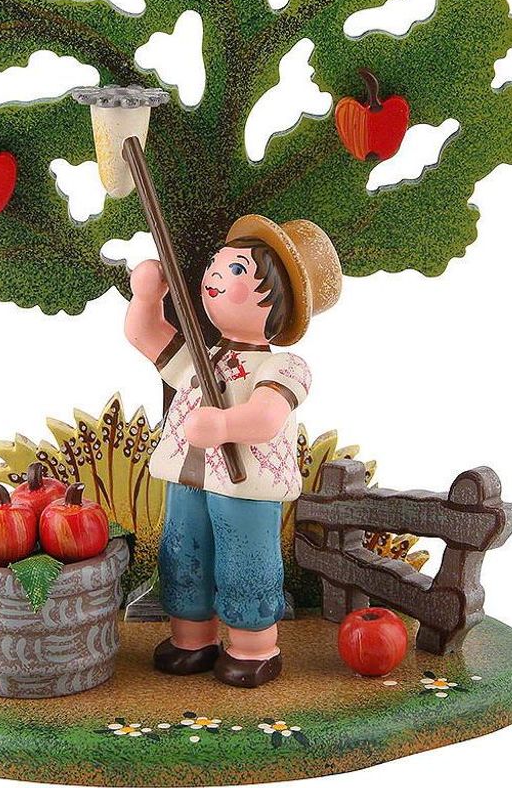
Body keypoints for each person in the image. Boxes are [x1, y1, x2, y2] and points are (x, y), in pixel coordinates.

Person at [125, 214, 342, 687]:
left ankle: (253, 646)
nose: (215, 276)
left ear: (276, 300)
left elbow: (267, 416)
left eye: (237, 270)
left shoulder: (283, 367)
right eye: (217, 265)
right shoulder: (204, 357)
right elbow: (148, 336)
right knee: (184, 553)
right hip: (189, 478)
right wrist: (146, 298)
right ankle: (192, 638)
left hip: (245, 488)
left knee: (246, 560)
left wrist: (224, 424)